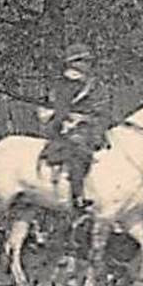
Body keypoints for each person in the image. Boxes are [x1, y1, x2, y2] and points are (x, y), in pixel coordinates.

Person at [37, 43, 105, 209]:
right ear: (73, 63)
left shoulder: (88, 84)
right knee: (79, 152)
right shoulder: (66, 84)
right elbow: (60, 110)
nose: (87, 65)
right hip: (65, 128)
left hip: (87, 127)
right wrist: (68, 123)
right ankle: (77, 196)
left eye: (88, 61)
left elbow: (96, 108)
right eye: (83, 61)